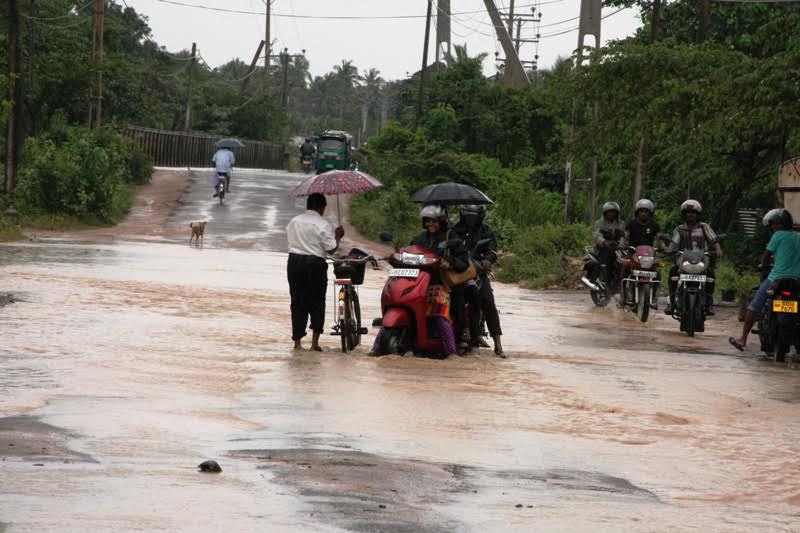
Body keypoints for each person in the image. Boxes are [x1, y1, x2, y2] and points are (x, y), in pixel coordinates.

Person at [369, 204, 467, 357]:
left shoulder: (451, 238)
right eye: (428, 221)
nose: (431, 224)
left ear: (441, 221)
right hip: (415, 282)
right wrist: (395, 258)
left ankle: (450, 352)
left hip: (438, 283)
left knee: (439, 311)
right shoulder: (418, 239)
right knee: (397, 302)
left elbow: (464, 263)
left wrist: (449, 263)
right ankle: (376, 348)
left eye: (434, 221)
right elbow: (408, 256)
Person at [730, 208, 800, 351]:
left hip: (777, 278)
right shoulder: (798, 237)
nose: (773, 227)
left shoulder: (778, 235)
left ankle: (743, 339)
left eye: (774, 224)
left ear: (780, 224)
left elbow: (767, 255)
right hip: (797, 280)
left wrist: (763, 265)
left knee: (754, 306)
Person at [286, 193, 345, 351]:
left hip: (294, 263)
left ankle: (297, 343)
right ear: (322, 207)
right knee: (316, 301)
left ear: (308, 206)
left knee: (297, 301)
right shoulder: (322, 224)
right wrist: (338, 237)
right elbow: (331, 248)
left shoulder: (294, 221)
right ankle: (314, 344)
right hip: (314, 265)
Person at [453, 204, 505, 357]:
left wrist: (488, 259)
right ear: (462, 215)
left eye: (473, 216)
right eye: (467, 216)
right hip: (458, 273)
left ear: (479, 216)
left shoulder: (486, 231)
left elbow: (493, 250)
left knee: (488, 303)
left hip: (478, 273)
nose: (470, 219)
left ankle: (498, 344)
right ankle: (462, 332)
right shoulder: (454, 230)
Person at [663, 199, 723, 315]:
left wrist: (718, 249)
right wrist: (667, 250)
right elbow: (673, 244)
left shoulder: (704, 227)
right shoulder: (679, 229)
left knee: (710, 274)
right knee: (673, 273)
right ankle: (672, 303)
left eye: (693, 212)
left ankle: (709, 303)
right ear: (684, 214)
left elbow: (713, 239)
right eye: (688, 212)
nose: (691, 214)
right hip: (683, 260)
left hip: (701, 259)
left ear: (698, 214)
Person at [591, 201, 625, 291]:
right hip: (602, 249)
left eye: (614, 212)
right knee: (608, 262)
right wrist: (604, 242)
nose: (611, 214)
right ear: (605, 213)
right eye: (609, 212)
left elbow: (625, 235)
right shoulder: (599, 223)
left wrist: (624, 242)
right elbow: (596, 235)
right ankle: (608, 281)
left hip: (617, 248)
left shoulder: (621, 223)